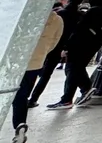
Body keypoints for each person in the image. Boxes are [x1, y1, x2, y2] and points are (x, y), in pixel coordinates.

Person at [48, 0, 102, 108]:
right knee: (75, 69)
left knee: (72, 68)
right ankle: (68, 98)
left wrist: (67, 47)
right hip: (94, 45)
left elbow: (79, 30)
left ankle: (84, 88)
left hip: (80, 44)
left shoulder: (93, 11)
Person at [11, 8, 63, 143]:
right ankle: (20, 125)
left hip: (11, 61)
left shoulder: (24, 12)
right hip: (34, 63)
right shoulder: (57, 20)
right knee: (21, 97)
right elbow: (53, 43)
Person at [27, 0, 83, 108]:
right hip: (61, 48)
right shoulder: (80, 16)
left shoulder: (59, 14)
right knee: (46, 75)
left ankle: (25, 95)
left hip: (47, 46)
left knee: (33, 71)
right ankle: (33, 99)